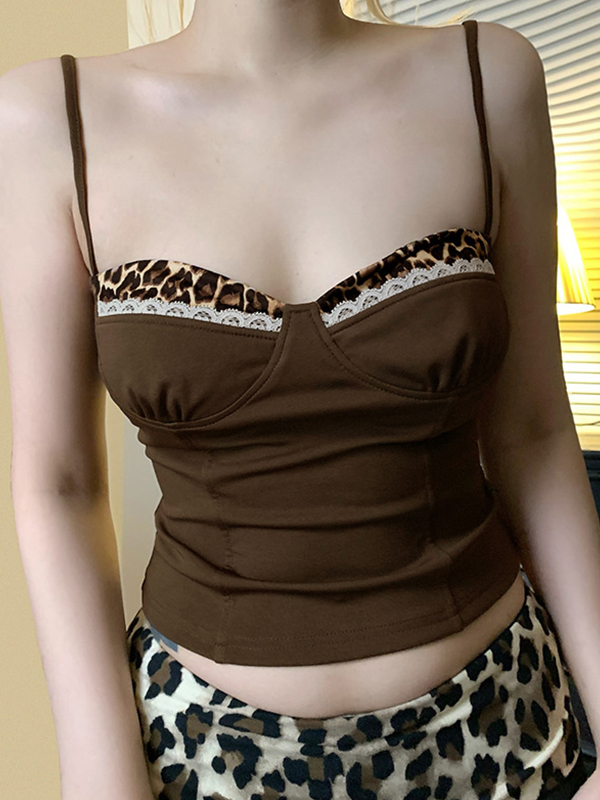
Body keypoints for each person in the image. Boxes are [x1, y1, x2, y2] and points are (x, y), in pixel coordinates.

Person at [0, 2, 598, 799]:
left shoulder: (490, 75)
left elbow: (535, 436)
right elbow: (59, 484)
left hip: (507, 729)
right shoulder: (48, 117)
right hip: (204, 755)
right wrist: (99, 776)